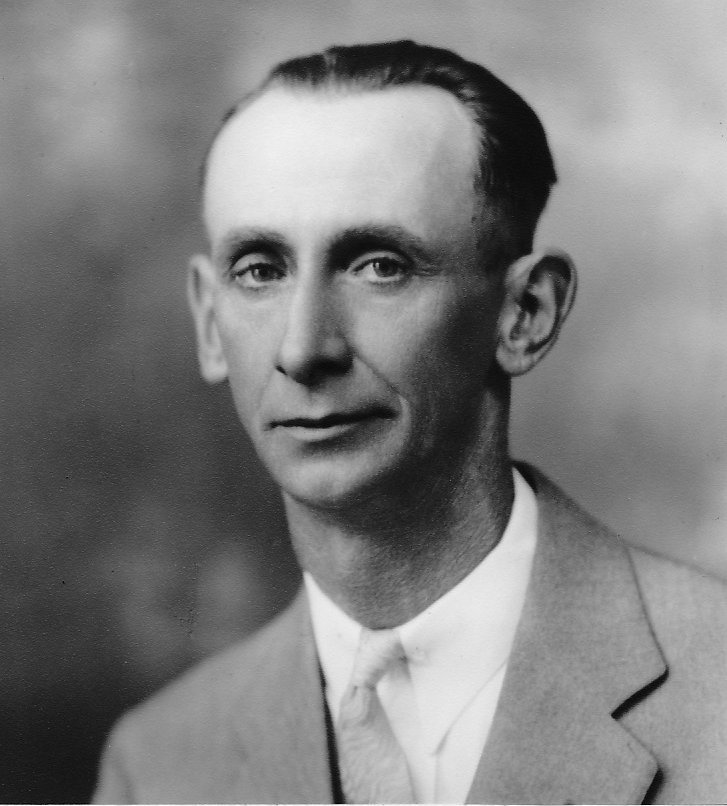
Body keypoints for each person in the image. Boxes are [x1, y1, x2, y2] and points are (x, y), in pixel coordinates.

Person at [94, 40, 727, 804]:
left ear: (525, 313)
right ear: (207, 321)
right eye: (259, 270)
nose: (302, 349)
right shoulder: (155, 764)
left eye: (379, 266)